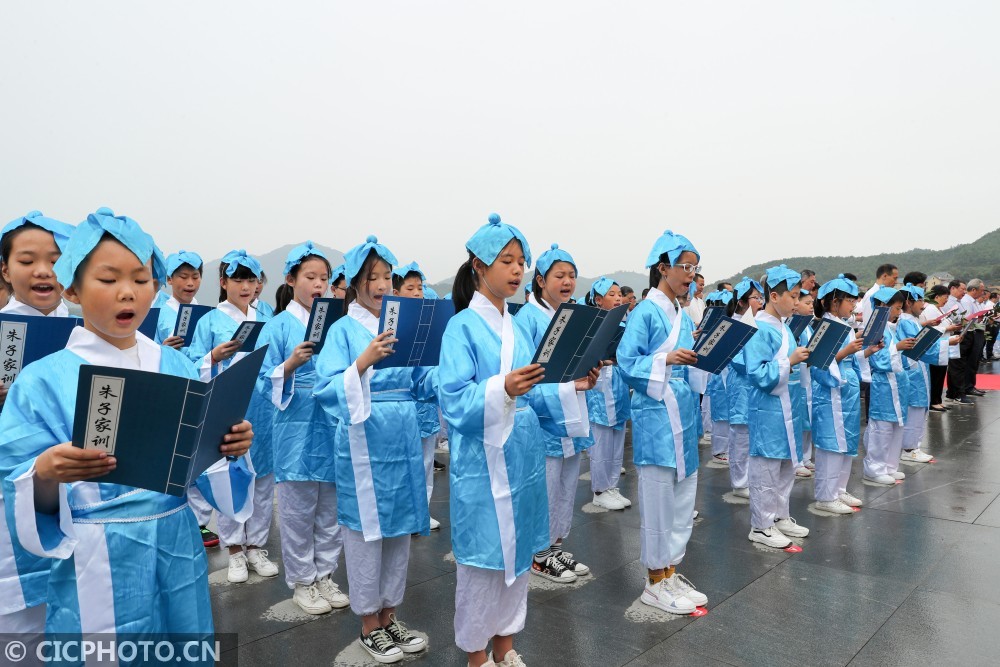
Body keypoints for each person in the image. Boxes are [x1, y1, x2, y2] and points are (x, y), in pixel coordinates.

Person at [0, 207, 254, 638]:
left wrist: (228, 447)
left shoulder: (176, 364)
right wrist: (43, 473)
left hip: (176, 539)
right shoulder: (41, 380)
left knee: (180, 639)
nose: (128, 293)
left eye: (140, 280)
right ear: (73, 291)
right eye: (108, 279)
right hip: (94, 551)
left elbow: (201, 460)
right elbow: (16, 474)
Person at [439, 213, 597, 667]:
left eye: (521, 261)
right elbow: (453, 398)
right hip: (485, 458)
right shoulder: (462, 328)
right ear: (478, 265)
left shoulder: (519, 324)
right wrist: (502, 388)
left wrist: (573, 386)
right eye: (506, 261)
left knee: (519, 557)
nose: (515, 270)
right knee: (483, 561)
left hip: (522, 453)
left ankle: (505, 648)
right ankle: (476, 655)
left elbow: (538, 384)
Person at [313, 236, 431, 663]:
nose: (381, 284)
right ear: (355, 284)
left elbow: (422, 380)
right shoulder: (343, 330)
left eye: (386, 277)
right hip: (364, 438)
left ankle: (390, 614)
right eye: (372, 277)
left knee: (398, 529)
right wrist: (362, 362)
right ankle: (368, 623)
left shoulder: (402, 326)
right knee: (366, 530)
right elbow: (325, 389)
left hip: (403, 432)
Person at [617, 230, 708, 615]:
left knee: (683, 496)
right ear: (663, 267)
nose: (691, 274)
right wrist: (666, 360)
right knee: (658, 499)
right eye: (685, 266)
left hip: (682, 413)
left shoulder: (680, 313)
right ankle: (654, 580)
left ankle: (670, 570)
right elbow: (625, 360)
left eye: (695, 267)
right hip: (657, 415)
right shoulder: (646, 312)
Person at [257, 241, 350, 615]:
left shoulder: (338, 324)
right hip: (294, 423)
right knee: (297, 509)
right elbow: (263, 381)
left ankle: (325, 574)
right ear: (291, 279)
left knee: (331, 507)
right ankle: (302, 581)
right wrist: (291, 364)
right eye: (310, 277)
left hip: (331, 419)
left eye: (324, 278)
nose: (318, 285)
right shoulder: (277, 326)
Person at [0, 211, 74, 633]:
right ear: (5, 269)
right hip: (13, 495)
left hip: (84, 491)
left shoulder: (94, 334)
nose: (44, 271)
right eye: (28, 261)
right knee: (23, 627)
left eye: (55, 259)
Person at [186, 250, 280, 583]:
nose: (245, 286)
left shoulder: (266, 315)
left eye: (251, 280)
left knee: (264, 478)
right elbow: (190, 362)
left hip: (263, 405)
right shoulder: (209, 321)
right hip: (228, 404)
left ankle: (256, 545)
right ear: (223, 282)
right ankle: (234, 550)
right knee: (228, 476)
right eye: (237, 279)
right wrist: (213, 355)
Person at [516, 244, 595, 583]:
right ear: (540, 280)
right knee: (544, 487)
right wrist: (566, 387)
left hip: (569, 414)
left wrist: (588, 374)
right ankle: (538, 554)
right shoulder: (527, 319)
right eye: (559, 275)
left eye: (572, 276)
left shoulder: (569, 316)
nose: (567, 282)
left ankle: (556, 544)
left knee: (565, 486)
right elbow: (525, 377)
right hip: (543, 419)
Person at [742, 265, 810, 549]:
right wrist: (790, 362)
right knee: (766, 467)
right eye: (793, 297)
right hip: (768, 407)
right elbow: (757, 372)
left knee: (785, 464)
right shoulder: (758, 328)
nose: (796, 303)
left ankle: (780, 515)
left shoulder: (783, 327)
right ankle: (761, 525)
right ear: (773, 295)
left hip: (787, 405)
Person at [391, 261, 445, 531]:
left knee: (425, 462)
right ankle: (405, 512)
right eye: (409, 287)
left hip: (426, 405)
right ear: (396, 292)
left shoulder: (428, 324)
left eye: (419, 287)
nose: (416, 293)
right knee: (403, 463)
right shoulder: (391, 326)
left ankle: (422, 510)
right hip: (402, 408)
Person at [810, 276, 866, 514]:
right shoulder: (825, 327)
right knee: (831, 445)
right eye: (849, 300)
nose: (853, 305)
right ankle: (826, 495)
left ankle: (839, 488)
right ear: (835, 302)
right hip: (831, 393)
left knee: (847, 442)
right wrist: (845, 352)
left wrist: (865, 350)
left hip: (847, 392)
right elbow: (818, 365)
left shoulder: (843, 325)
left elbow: (852, 360)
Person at [897, 284, 959, 465]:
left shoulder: (911, 320)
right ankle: (909, 448)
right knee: (914, 409)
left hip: (918, 368)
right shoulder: (907, 321)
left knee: (918, 408)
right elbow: (919, 346)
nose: (923, 305)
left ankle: (913, 446)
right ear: (909, 302)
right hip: (913, 370)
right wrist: (947, 343)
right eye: (920, 300)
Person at [585, 277, 632, 511]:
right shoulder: (591, 324)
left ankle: (613, 486)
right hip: (600, 384)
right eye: (611, 294)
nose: (617, 298)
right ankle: (600, 489)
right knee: (601, 439)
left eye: (618, 294)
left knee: (617, 437)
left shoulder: (624, 325)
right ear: (598, 299)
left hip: (618, 382)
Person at [862, 287, 916, 485]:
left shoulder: (890, 328)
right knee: (882, 428)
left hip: (897, 383)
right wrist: (898, 347)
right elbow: (878, 360)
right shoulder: (876, 328)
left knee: (897, 426)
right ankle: (874, 468)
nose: (899, 312)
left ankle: (889, 465)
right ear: (884, 306)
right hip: (884, 384)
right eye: (896, 307)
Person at [725, 277, 764, 499]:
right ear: (741, 301)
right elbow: (738, 360)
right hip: (741, 384)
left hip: (754, 384)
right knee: (740, 433)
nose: (760, 302)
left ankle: (750, 478)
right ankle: (740, 483)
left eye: (761, 297)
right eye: (756, 298)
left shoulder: (757, 323)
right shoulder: (734, 325)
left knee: (751, 432)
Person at [919, 285, 960, 412]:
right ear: (936, 296)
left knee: (940, 374)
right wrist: (948, 328)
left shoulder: (939, 309)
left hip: (943, 345)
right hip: (935, 345)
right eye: (945, 297)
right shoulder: (931, 309)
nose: (946, 300)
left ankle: (938, 400)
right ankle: (933, 401)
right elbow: (930, 330)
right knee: (935, 374)